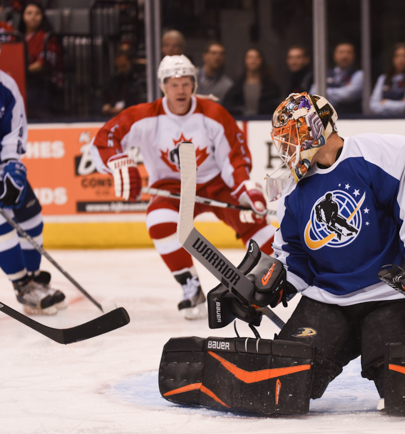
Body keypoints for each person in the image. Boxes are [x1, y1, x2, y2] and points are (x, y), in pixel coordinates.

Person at [256, 92, 405, 403]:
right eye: (282, 141)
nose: (286, 149)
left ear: (315, 127)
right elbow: (294, 257)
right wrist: (269, 287)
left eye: (291, 137)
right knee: (282, 385)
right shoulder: (293, 188)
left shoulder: (383, 154)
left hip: (390, 295)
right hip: (328, 299)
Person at [90, 55, 275, 320]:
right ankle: (190, 286)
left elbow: (233, 155)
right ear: (163, 86)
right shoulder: (143, 116)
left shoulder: (212, 113)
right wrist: (117, 162)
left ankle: (281, 277)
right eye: (174, 84)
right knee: (158, 220)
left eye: (186, 83)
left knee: (254, 220)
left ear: (194, 84)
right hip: (172, 188)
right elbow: (106, 138)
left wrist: (245, 186)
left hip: (216, 184)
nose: (180, 89)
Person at [0, 69, 65, 315]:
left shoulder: (5, 85)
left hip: (0, 164)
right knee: (1, 222)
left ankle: (34, 278)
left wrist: (11, 164)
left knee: (31, 216)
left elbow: (14, 128)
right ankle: (22, 285)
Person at [18, 2, 62, 119]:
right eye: (29, 13)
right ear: (22, 16)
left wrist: (24, 72)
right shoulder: (16, 36)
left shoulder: (48, 37)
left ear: (43, 16)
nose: (33, 17)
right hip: (20, 79)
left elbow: (43, 63)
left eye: (37, 13)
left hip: (42, 82)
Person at [223, 48, 281, 116]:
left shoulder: (271, 87)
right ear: (245, 60)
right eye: (250, 57)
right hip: (241, 122)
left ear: (261, 60)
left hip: (264, 122)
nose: (253, 60)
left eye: (256, 57)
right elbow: (229, 106)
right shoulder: (236, 87)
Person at [311, 42, 363, 114]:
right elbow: (313, 93)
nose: (345, 56)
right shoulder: (325, 74)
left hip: (352, 117)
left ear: (354, 55)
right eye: (341, 52)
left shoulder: (359, 74)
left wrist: (324, 93)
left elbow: (348, 96)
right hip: (326, 117)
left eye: (349, 52)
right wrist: (339, 91)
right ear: (335, 55)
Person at [369, 43, 405, 115]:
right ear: (392, 59)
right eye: (397, 56)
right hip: (384, 120)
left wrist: (385, 102)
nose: (401, 59)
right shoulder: (383, 79)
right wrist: (399, 103)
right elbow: (373, 105)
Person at [101, 52, 144, 117]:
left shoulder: (137, 79)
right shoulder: (114, 80)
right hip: (114, 117)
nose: (120, 70)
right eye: (118, 67)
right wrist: (106, 105)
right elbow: (106, 95)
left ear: (129, 62)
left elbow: (139, 102)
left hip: (133, 116)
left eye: (123, 66)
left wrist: (124, 109)